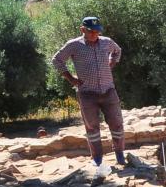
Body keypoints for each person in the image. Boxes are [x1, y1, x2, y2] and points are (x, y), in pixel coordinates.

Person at [52, 16, 125, 175]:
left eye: (97, 31)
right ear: (82, 29)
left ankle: (120, 154)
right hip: (87, 93)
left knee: (117, 123)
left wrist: (112, 62)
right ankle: (97, 159)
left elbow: (117, 51)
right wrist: (71, 79)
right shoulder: (74, 45)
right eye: (91, 31)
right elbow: (57, 60)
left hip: (108, 90)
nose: (94, 34)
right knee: (92, 127)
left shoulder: (106, 42)